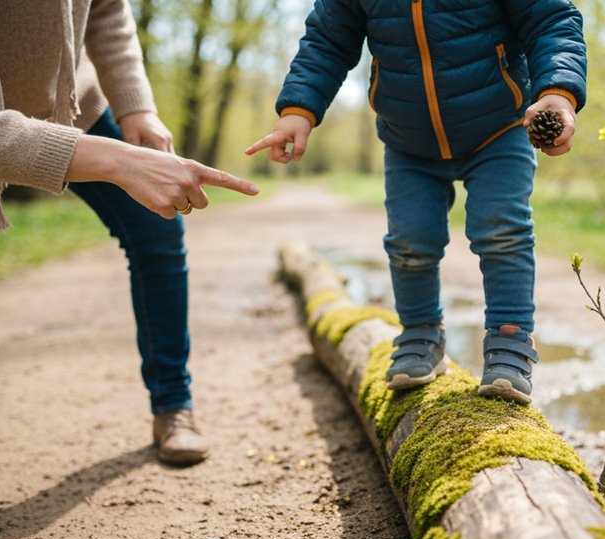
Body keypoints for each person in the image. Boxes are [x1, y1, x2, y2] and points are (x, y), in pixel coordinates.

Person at [0, 0, 260, 539]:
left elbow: (108, 10)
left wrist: (136, 106)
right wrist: (111, 160)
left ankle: (173, 406)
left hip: (72, 102)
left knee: (158, 235)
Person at [245, 1, 586, 405]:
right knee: (410, 241)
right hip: (409, 140)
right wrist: (298, 110)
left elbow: (551, 20)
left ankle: (510, 342)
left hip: (500, 124)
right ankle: (421, 333)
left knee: (502, 231)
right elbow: (327, 41)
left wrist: (558, 92)